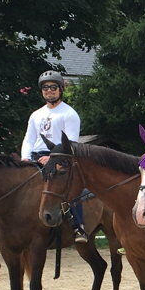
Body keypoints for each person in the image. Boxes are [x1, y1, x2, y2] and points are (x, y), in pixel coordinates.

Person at [21, 70, 85, 241]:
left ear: (60, 89)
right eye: (45, 87)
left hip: (60, 156)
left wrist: (52, 158)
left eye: (53, 87)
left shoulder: (69, 114)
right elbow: (28, 139)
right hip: (36, 156)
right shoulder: (36, 115)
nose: (49, 90)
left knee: (69, 185)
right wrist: (25, 158)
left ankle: (79, 226)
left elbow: (70, 142)